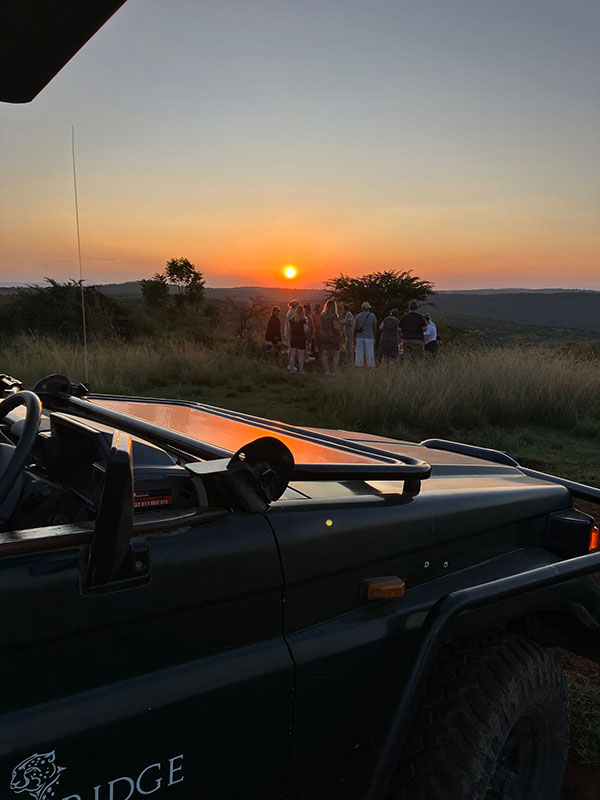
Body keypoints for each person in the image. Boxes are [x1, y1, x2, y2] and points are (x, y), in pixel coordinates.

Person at [320, 299, 342, 373]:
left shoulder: (322, 315)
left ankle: (327, 371)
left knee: (324, 353)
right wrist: (339, 334)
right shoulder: (334, 316)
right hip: (333, 336)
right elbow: (335, 327)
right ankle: (335, 371)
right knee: (336, 353)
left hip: (324, 335)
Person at [354, 301, 377, 367]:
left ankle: (358, 366)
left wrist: (354, 338)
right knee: (370, 354)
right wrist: (375, 338)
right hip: (370, 337)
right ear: (368, 308)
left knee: (359, 354)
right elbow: (375, 328)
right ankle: (370, 367)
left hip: (359, 337)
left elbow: (355, 328)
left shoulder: (358, 316)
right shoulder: (372, 316)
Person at [287, 304, 309, 372]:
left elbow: (289, 329)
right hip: (301, 339)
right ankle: (301, 370)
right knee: (301, 356)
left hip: (293, 338)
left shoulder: (292, 319)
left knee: (293, 355)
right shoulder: (303, 320)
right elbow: (306, 329)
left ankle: (291, 368)